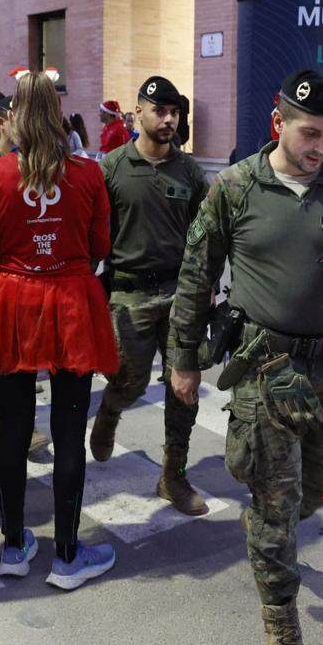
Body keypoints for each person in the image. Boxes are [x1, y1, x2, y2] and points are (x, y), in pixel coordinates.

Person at [170, 70, 323, 645]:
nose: (322, 147)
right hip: (264, 370)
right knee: (275, 504)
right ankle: (285, 640)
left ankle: (273, 532)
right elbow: (196, 274)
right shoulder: (237, 187)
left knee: (316, 489)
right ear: (279, 123)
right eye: (310, 133)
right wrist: (183, 359)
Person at [0, 70, 119, 589]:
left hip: (12, 302)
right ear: (58, 116)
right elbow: (100, 247)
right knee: (69, 433)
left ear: (10, 119)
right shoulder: (89, 173)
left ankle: (13, 547)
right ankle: (68, 556)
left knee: (12, 430)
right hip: (71, 299)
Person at [89, 75, 210, 515]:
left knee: (183, 387)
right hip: (129, 294)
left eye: (175, 112)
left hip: (180, 293)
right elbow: (91, 233)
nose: (168, 119)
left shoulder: (190, 171)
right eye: (159, 110)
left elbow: (206, 235)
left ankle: (172, 476)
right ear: (137, 112)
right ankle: (109, 412)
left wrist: (208, 286)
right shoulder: (111, 167)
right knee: (130, 380)